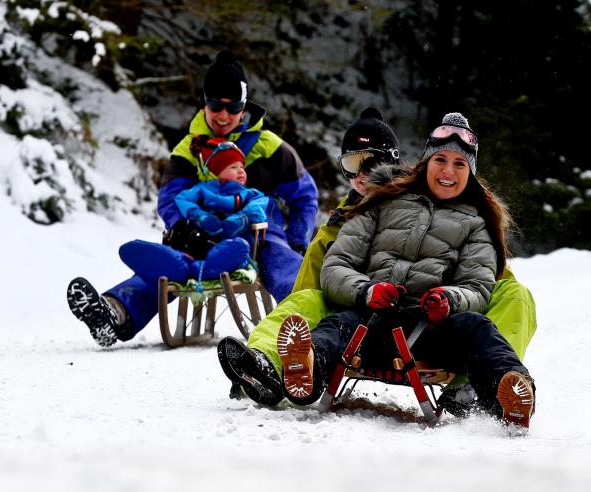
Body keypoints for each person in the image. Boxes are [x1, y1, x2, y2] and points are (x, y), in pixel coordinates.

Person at [217, 111, 537, 426]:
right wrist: (364, 290)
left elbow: (481, 284)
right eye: (351, 165)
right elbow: (322, 281)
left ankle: (503, 390)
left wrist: (452, 298)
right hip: (368, 318)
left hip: (432, 327)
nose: (361, 176)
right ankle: (273, 366)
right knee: (319, 313)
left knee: (497, 311)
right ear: (425, 162)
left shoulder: (475, 222)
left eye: (459, 163)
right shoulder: (374, 208)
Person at [66, 49, 318, 347]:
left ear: (244, 106)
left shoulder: (269, 146)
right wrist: (182, 225)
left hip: (260, 232)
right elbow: (171, 196)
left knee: (283, 264)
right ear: (204, 102)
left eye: (232, 106)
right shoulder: (190, 148)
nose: (223, 115)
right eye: (215, 105)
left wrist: (299, 237)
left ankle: (306, 322)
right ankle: (115, 311)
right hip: (206, 233)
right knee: (170, 267)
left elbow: (304, 196)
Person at [217, 107, 402, 405]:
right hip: (343, 297)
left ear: (391, 161)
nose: (362, 174)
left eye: (373, 162)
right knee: (302, 302)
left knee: (336, 325)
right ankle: (262, 364)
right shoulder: (341, 218)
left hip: (386, 311)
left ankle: (301, 369)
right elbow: (309, 279)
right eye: (353, 163)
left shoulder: (410, 206)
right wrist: (301, 306)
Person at [118, 136, 268, 285]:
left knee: (238, 247)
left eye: (242, 167)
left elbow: (258, 207)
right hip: (204, 242)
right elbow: (182, 199)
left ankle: (202, 269)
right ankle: (176, 263)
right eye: (233, 167)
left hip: (234, 241)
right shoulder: (205, 188)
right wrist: (200, 216)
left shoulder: (250, 193)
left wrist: (243, 219)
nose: (241, 171)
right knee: (184, 233)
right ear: (218, 171)